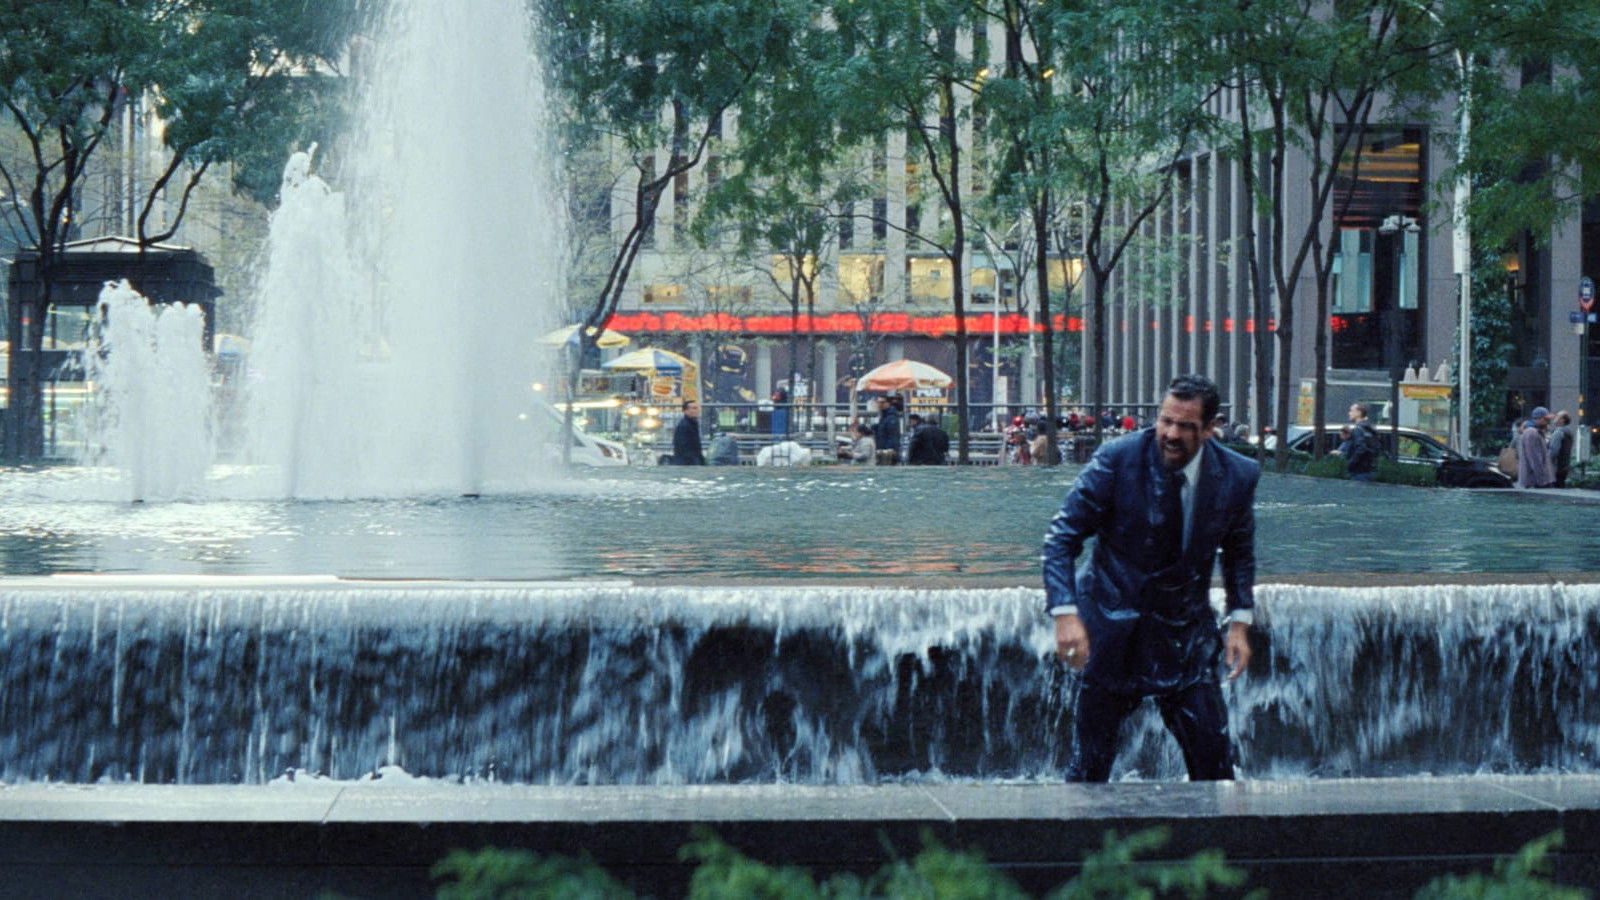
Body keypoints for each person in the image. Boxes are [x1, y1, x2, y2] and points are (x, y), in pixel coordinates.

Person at [1042, 373, 1258, 782]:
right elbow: (1061, 538)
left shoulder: (1238, 475)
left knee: (1215, 769)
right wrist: (1065, 614)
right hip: (1111, 630)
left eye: (1186, 426)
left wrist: (1240, 620)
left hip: (1185, 636)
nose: (1171, 434)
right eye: (1165, 421)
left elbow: (1239, 551)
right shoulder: (1117, 458)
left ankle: (1214, 825)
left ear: (1210, 429)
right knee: (1089, 770)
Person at [1517, 407, 1555, 488]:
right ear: (1539, 419)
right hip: (1535, 481)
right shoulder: (1532, 432)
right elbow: (1535, 459)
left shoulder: (1534, 431)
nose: (1548, 422)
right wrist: (1542, 480)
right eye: (1546, 419)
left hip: (1535, 480)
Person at [1343, 403, 1380, 482]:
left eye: (1351, 411)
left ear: (1359, 413)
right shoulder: (1371, 429)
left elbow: (1361, 448)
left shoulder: (1358, 429)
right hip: (1370, 469)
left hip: (1358, 472)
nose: (1349, 413)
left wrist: (1349, 464)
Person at [669, 399, 706, 466]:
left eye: (697, 408)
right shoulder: (684, 425)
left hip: (690, 460)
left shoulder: (692, 423)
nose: (697, 410)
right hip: (687, 462)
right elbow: (682, 447)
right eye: (694, 408)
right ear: (686, 411)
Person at [1549, 410, 1575, 488]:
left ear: (1562, 420)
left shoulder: (1558, 432)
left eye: (1557, 416)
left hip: (1556, 467)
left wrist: (1547, 463)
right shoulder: (1568, 432)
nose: (1555, 417)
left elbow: (1553, 451)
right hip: (1565, 466)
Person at [872, 396, 901, 465]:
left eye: (882, 402)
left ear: (888, 403)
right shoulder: (883, 416)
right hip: (882, 451)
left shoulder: (891, 417)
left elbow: (892, 436)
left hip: (887, 454)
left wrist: (889, 452)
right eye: (878, 402)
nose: (880, 404)